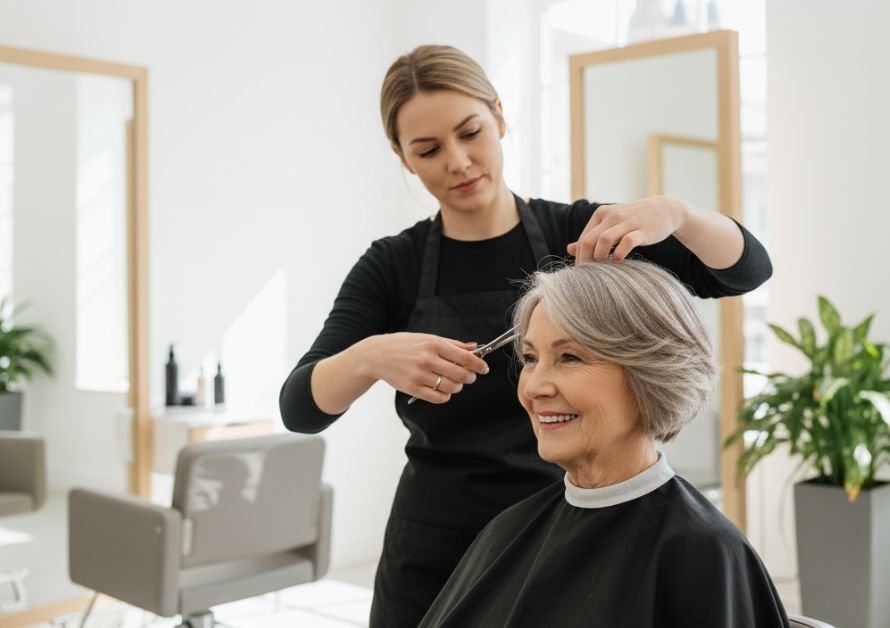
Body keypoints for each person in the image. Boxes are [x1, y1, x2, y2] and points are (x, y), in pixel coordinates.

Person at [279, 44, 773, 627]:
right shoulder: (394, 266)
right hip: (436, 544)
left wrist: (680, 215)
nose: (458, 162)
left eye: (470, 133)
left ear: (500, 115)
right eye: (429, 150)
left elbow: (746, 270)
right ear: (402, 157)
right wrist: (369, 356)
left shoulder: (580, 237)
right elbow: (300, 407)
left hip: (572, 530)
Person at [419, 261, 789, 627]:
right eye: (531, 358)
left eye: (570, 357)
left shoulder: (702, 552)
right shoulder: (507, 530)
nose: (534, 387)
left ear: (651, 376)